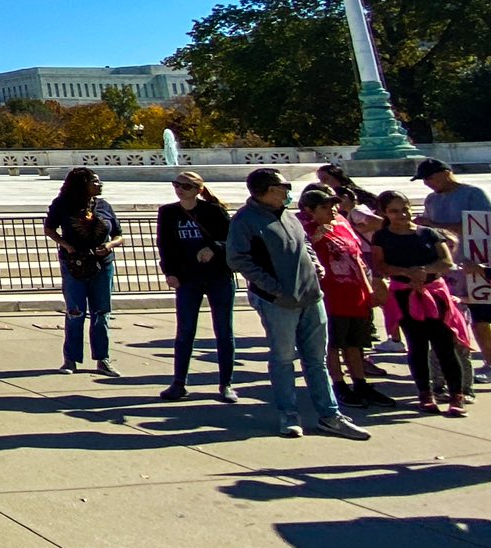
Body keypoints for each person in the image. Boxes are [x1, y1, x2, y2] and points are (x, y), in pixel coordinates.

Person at [227, 168, 370, 440]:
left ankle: (330, 415)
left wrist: (315, 266)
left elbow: (305, 243)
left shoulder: (288, 215)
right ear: (268, 190)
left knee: (317, 360)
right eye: (284, 186)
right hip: (278, 302)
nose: (288, 191)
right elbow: (238, 259)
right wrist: (275, 289)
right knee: (283, 359)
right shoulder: (244, 221)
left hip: (311, 296)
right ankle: (288, 414)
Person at [369, 188, 471, 416]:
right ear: (385, 213)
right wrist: (407, 273)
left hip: (434, 293)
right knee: (417, 345)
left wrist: (424, 272)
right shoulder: (382, 237)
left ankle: (457, 395)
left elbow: (445, 261)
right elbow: (380, 265)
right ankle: (425, 393)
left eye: (405, 209)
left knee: (445, 345)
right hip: (405, 294)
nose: (402, 215)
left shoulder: (429, 234)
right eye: (395, 211)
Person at [296, 185, 392, 411]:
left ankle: (360, 383)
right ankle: (338, 384)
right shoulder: (304, 229)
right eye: (325, 207)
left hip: (355, 293)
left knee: (356, 343)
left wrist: (369, 287)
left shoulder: (341, 222)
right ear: (310, 210)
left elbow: (357, 256)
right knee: (333, 343)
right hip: (329, 295)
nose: (332, 210)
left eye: (333, 205)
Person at [155, 171, 236, 402]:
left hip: (218, 276)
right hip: (187, 278)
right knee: (185, 331)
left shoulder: (213, 211)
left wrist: (214, 248)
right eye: (177, 184)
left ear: (199, 190)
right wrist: (169, 272)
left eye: (187, 186)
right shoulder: (168, 212)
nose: (180, 189)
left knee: (223, 330)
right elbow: (165, 244)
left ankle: (225, 383)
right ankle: (179, 383)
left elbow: (233, 239)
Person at [418, 158, 491, 387]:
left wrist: (434, 225)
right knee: (452, 320)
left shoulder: (473, 194)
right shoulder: (431, 199)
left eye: (430, 178)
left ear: (445, 173)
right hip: (448, 269)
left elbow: (480, 226)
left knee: (482, 319)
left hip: (476, 264)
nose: (428, 184)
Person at [44, 168, 119, 376]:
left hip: (102, 263)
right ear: (82, 184)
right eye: (94, 181)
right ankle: (70, 359)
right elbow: (49, 228)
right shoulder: (62, 204)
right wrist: (66, 245)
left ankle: (102, 358)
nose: (99, 184)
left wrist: (110, 246)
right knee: (75, 311)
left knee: (102, 312)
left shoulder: (104, 206)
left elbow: (119, 235)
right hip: (74, 264)